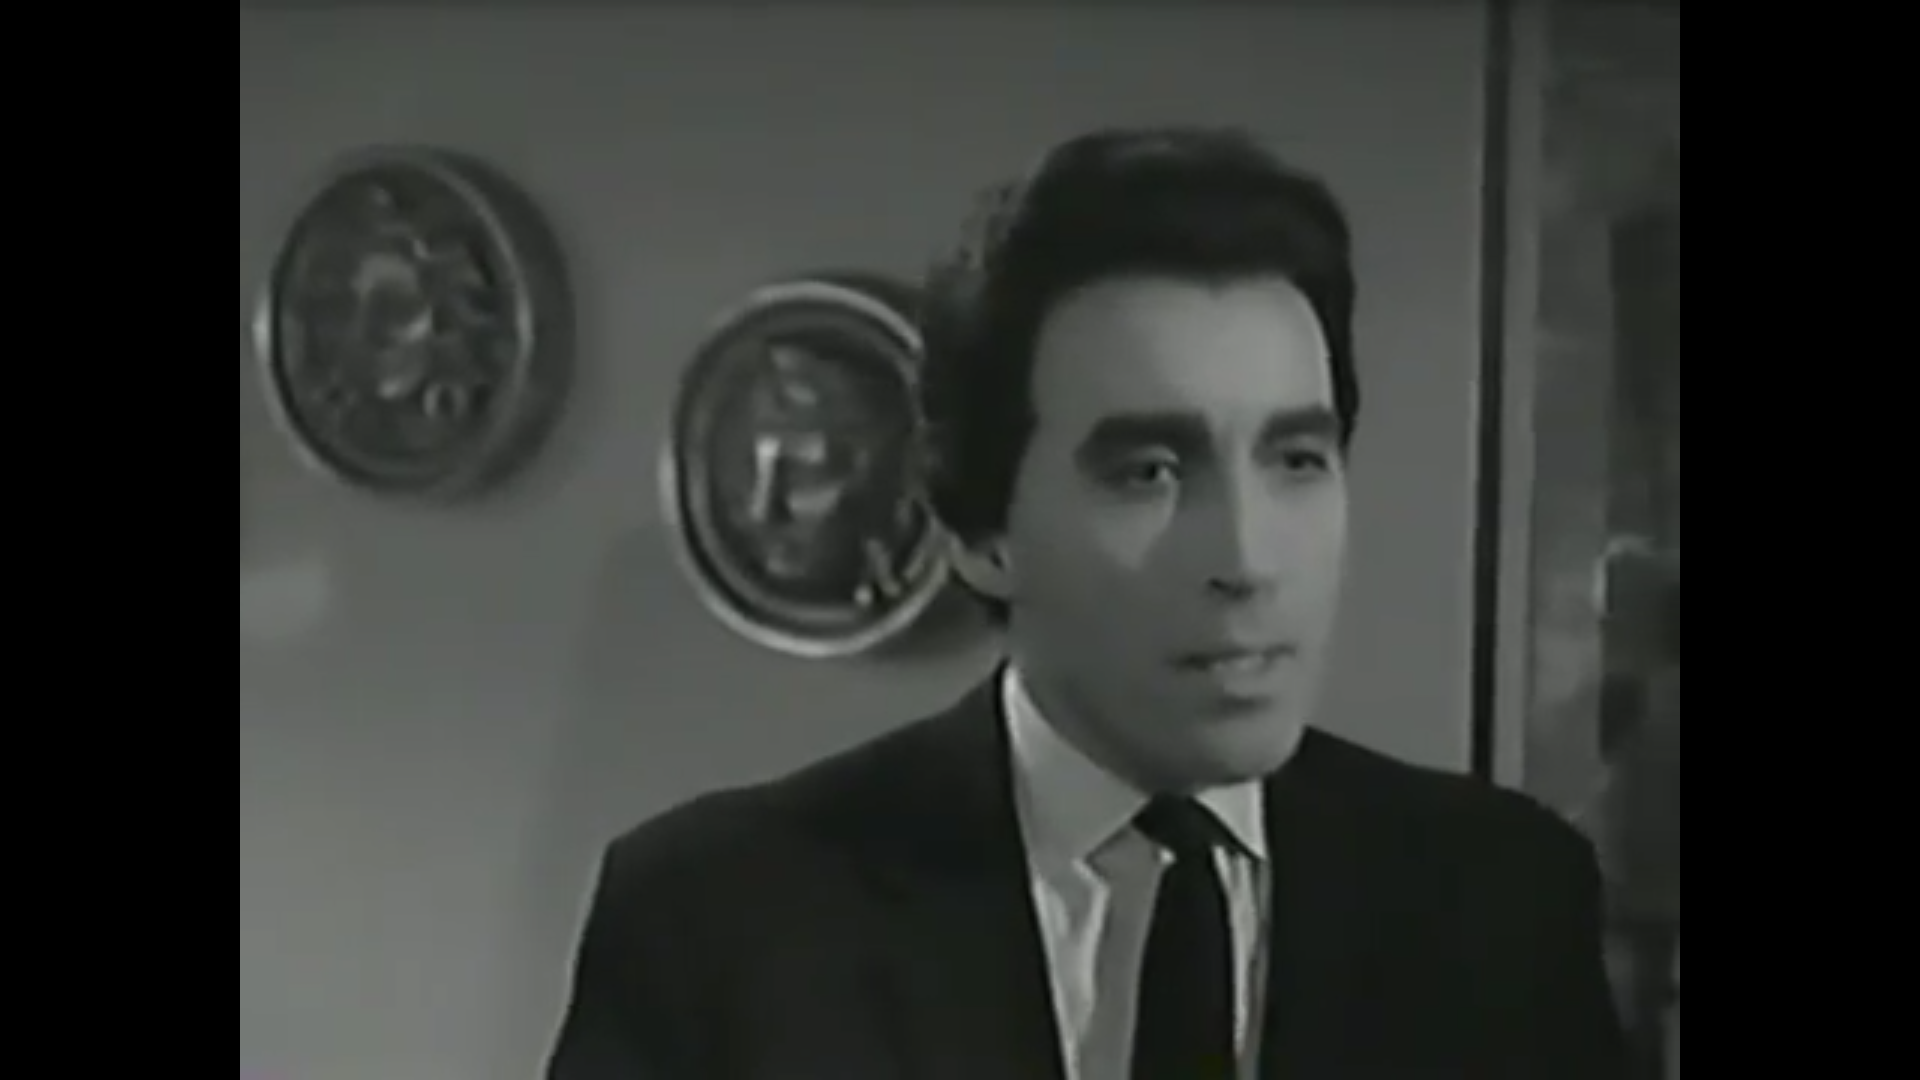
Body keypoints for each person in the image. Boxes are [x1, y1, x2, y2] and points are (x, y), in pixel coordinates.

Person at [546, 126, 1627, 1080]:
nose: (1248, 559)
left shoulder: (1502, 898)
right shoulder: (720, 925)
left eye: (1296, 460)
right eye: (1149, 473)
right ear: (981, 533)